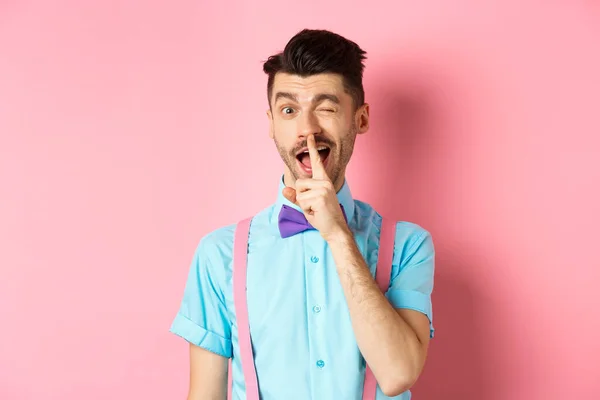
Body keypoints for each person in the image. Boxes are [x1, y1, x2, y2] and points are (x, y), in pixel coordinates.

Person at [170, 28, 435, 400]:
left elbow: (397, 374)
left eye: (326, 108)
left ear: (360, 119)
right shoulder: (220, 254)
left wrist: (339, 237)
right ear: (272, 123)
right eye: (289, 110)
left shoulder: (409, 245)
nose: (307, 129)